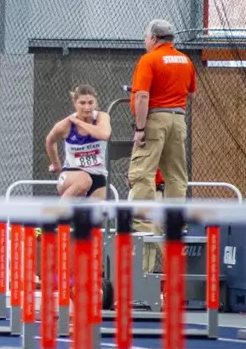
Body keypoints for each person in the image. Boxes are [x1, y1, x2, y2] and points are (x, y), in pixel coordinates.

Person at [127, 18, 196, 234]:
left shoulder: (149, 60)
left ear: (154, 38)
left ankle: (143, 225)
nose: (145, 42)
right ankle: (175, 223)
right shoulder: (185, 60)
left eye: (146, 38)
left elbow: (142, 96)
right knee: (176, 174)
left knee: (142, 172)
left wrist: (140, 129)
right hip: (178, 119)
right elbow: (191, 92)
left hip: (155, 120)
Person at [44, 84, 111, 199]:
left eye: (90, 103)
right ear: (75, 103)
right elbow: (50, 140)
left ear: (96, 102)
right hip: (70, 174)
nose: (87, 107)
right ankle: (60, 213)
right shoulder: (65, 125)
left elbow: (104, 134)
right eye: (82, 103)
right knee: (84, 180)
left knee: (96, 214)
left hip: (97, 175)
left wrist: (79, 122)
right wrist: (56, 165)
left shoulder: (102, 117)